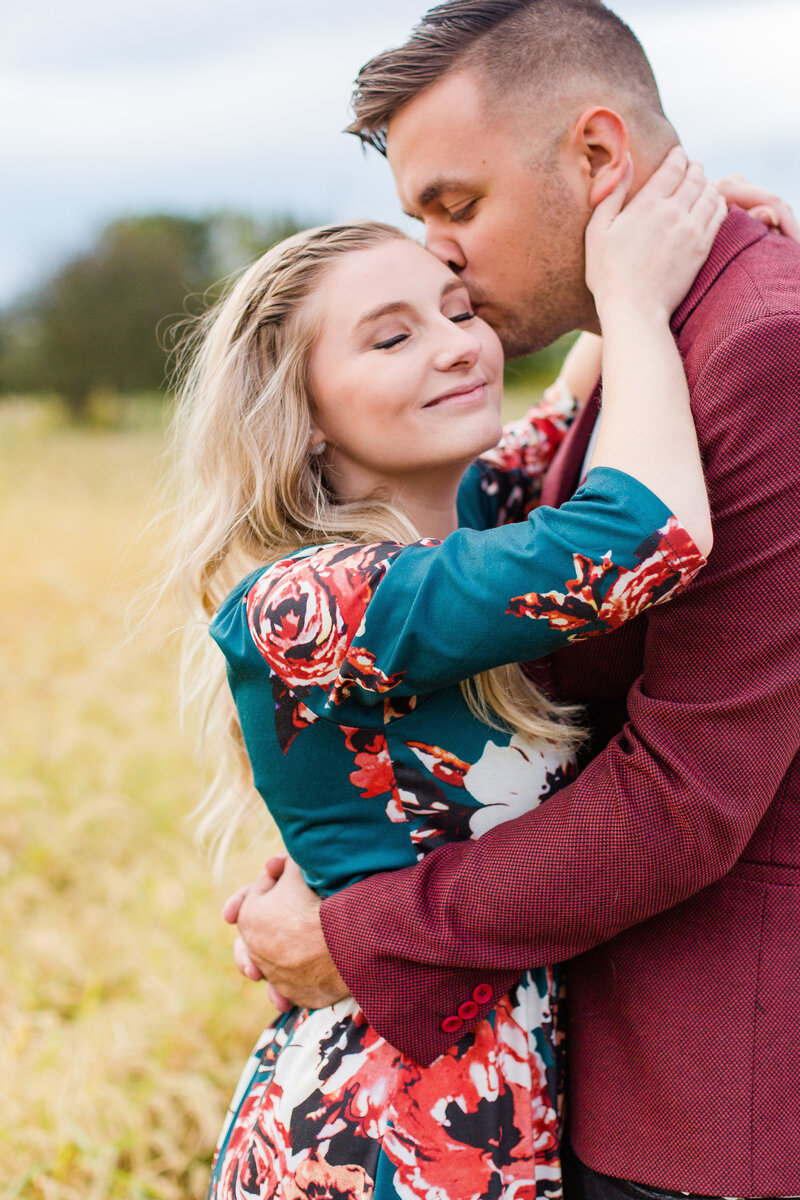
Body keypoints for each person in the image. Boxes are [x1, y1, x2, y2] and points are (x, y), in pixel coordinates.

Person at [225, 2, 800, 1198]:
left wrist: (353, 930)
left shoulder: (740, 350)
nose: (440, 258)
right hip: (412, 1121)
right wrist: (634, 305)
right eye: (388, 333)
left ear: (597, 160)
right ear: (306, 420)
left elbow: (682, 794)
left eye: (454, 207)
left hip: (692, 1091)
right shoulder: (314, 595)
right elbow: (590, 514)